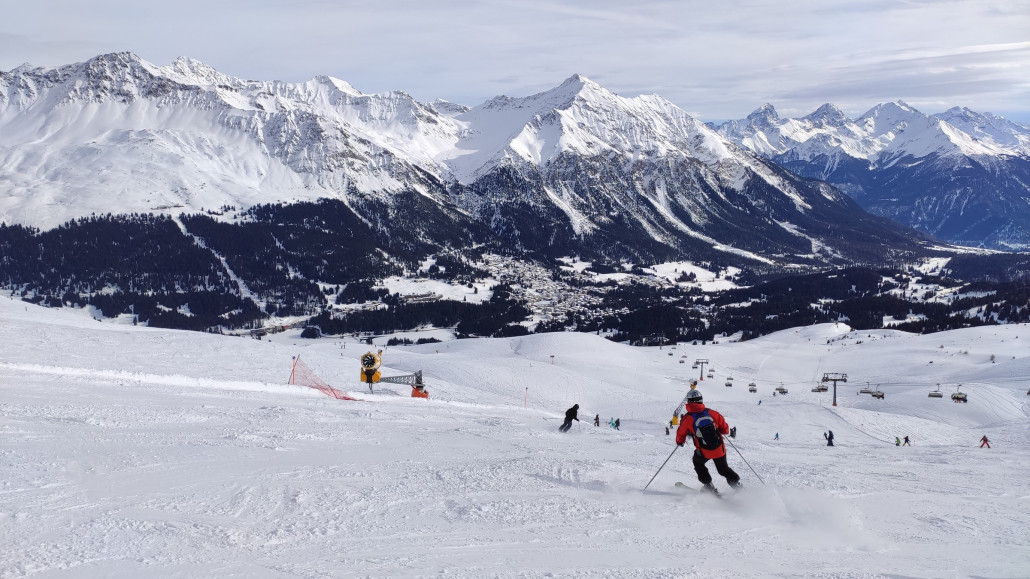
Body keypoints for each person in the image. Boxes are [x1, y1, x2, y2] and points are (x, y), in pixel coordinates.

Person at [675, 389, 741, 492]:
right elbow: (725, 429)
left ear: (689, 402)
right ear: (701, 400)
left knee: (698, 463)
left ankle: (708, 486)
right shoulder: (712, 413)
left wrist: (680, 441)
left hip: (703, 451)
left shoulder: (688, 418)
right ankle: (738, 486)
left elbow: (681, 432)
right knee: (723, 469)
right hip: (719, 449)